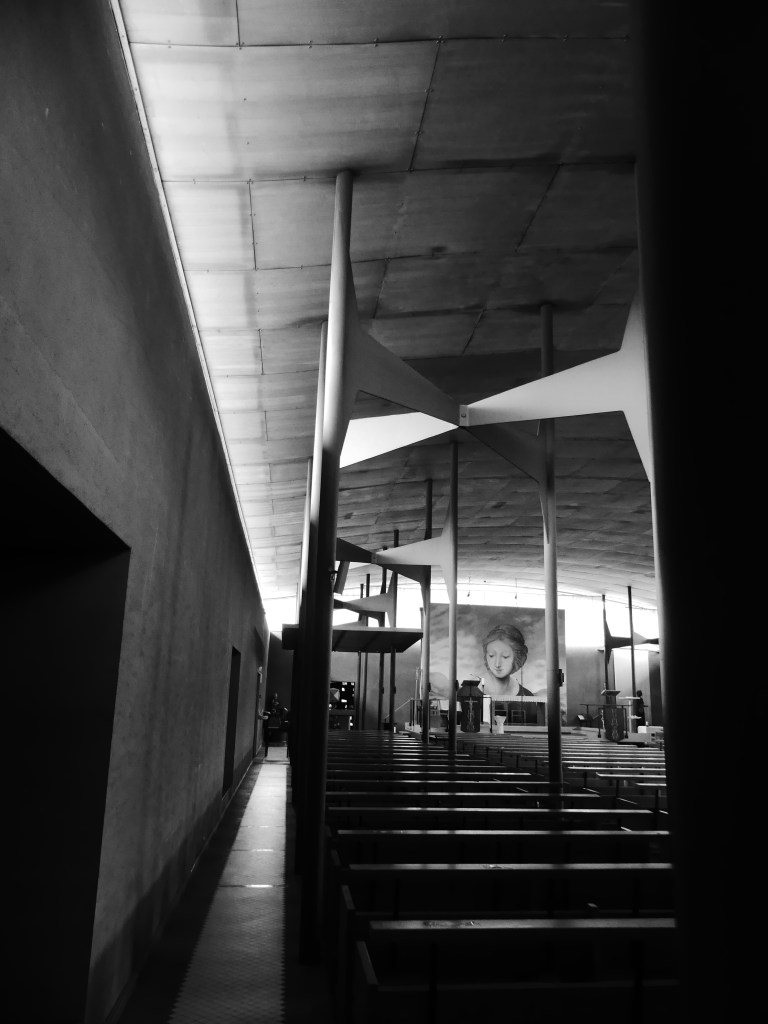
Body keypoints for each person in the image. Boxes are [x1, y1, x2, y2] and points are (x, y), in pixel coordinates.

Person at [480, 623, 532, 698]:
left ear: (517, 657)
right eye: (491, 655)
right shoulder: (469, 692)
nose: (497, 664)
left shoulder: (527, 696)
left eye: (505, 657)